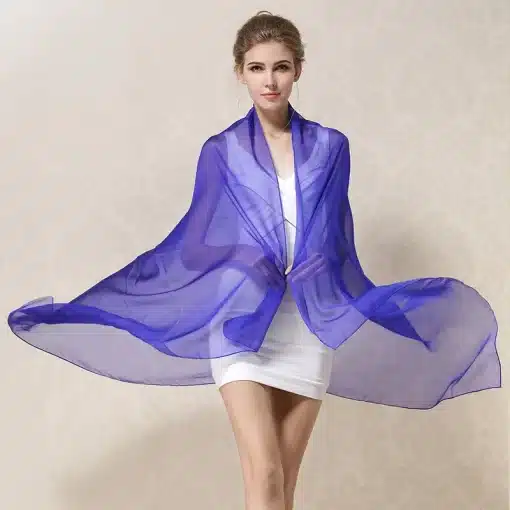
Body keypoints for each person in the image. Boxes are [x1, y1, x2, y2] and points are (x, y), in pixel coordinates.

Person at [7, 11, 501, 510]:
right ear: (240, 73)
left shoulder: (331, 147)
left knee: (281, 484)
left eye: (281, 67)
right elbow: (193, 245)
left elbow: (338, 238)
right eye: (257, 68)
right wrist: (244, 256)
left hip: (307, 323)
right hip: (239, 319)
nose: (270, 81)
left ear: (298, 70)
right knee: (264, 471)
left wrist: (324, 264)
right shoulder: (221, 151)